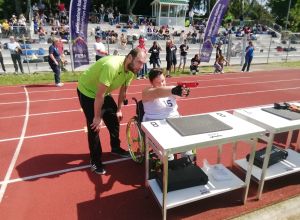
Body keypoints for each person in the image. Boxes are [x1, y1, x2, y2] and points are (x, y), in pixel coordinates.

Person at [77, 48, 147, 175]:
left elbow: (123, 91)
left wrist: (119, 109)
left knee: (114, 119)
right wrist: (97, 117)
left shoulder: (131, 71)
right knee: (94, 127)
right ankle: (95, 160)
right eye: (139, 62)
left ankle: (115, 148)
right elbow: (99, 95)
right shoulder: (112, 66)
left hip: (103, 92)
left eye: (143, 63)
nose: (141, 67)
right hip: (87, 91)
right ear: (130, 57)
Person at [142, 68, 193, 160]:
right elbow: (158, 92)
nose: (162, 84)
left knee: (188, 149)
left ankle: (187, 160)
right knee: (168, 156)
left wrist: (184, 92)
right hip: (155, 123)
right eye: (158, 82)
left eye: (163, 81)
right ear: (151, 83)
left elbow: (179, 93)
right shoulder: (147, 92)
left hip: (174, 121)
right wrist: (173, 90)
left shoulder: (170, 89)